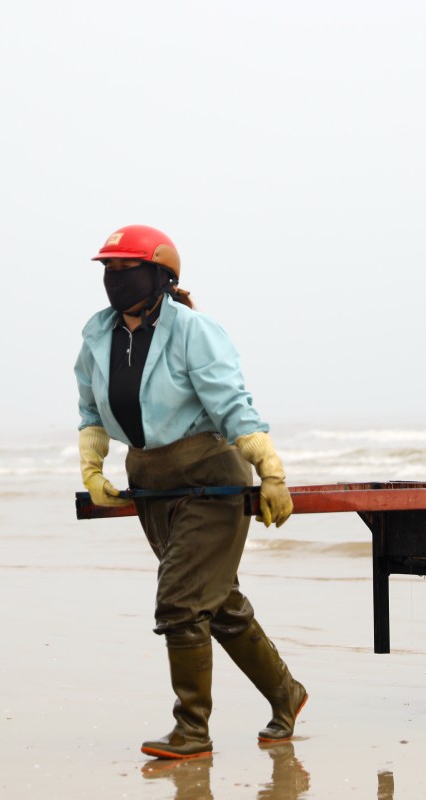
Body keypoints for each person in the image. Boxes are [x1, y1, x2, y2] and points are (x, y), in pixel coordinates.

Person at [74, 224, 308, 760]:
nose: (115, 279)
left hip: (209, 475)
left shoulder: (192, 331)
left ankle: (192, 731)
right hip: (150, 481)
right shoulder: (97, 335)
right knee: (216, 603)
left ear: (160, 275)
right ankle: (286, 694)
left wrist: (271, 471)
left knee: (179, 602)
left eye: (126, 269)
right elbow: (90, 410)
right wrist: (93, 469)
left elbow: (233, 406)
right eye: (108, 270)